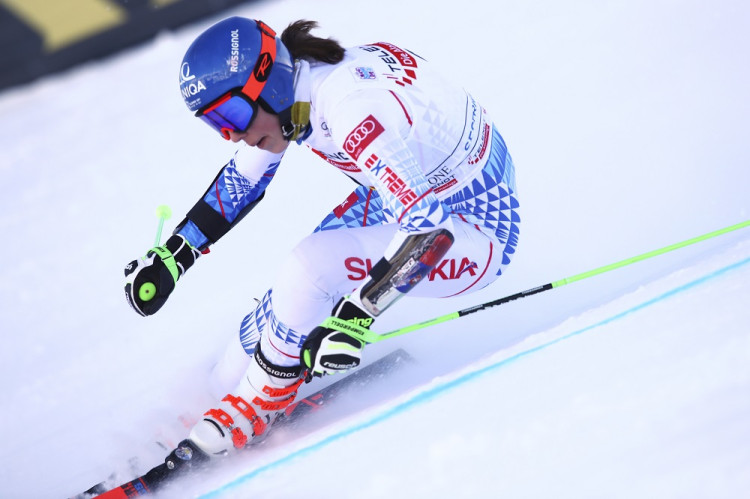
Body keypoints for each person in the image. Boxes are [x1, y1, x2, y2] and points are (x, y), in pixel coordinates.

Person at [124, 17, 520, 461]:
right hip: (416, 195)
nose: (230, 134)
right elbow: (243, 179)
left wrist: (359, 312)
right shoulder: (300, 85)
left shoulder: (348, 106)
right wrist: (175, 253)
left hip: (474, 229)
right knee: (281, 304)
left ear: (268, 83)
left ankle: (258, 403)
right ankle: (205, 404)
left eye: (231, 115)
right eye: (215, 122)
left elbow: (429, 227)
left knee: (309, 268)